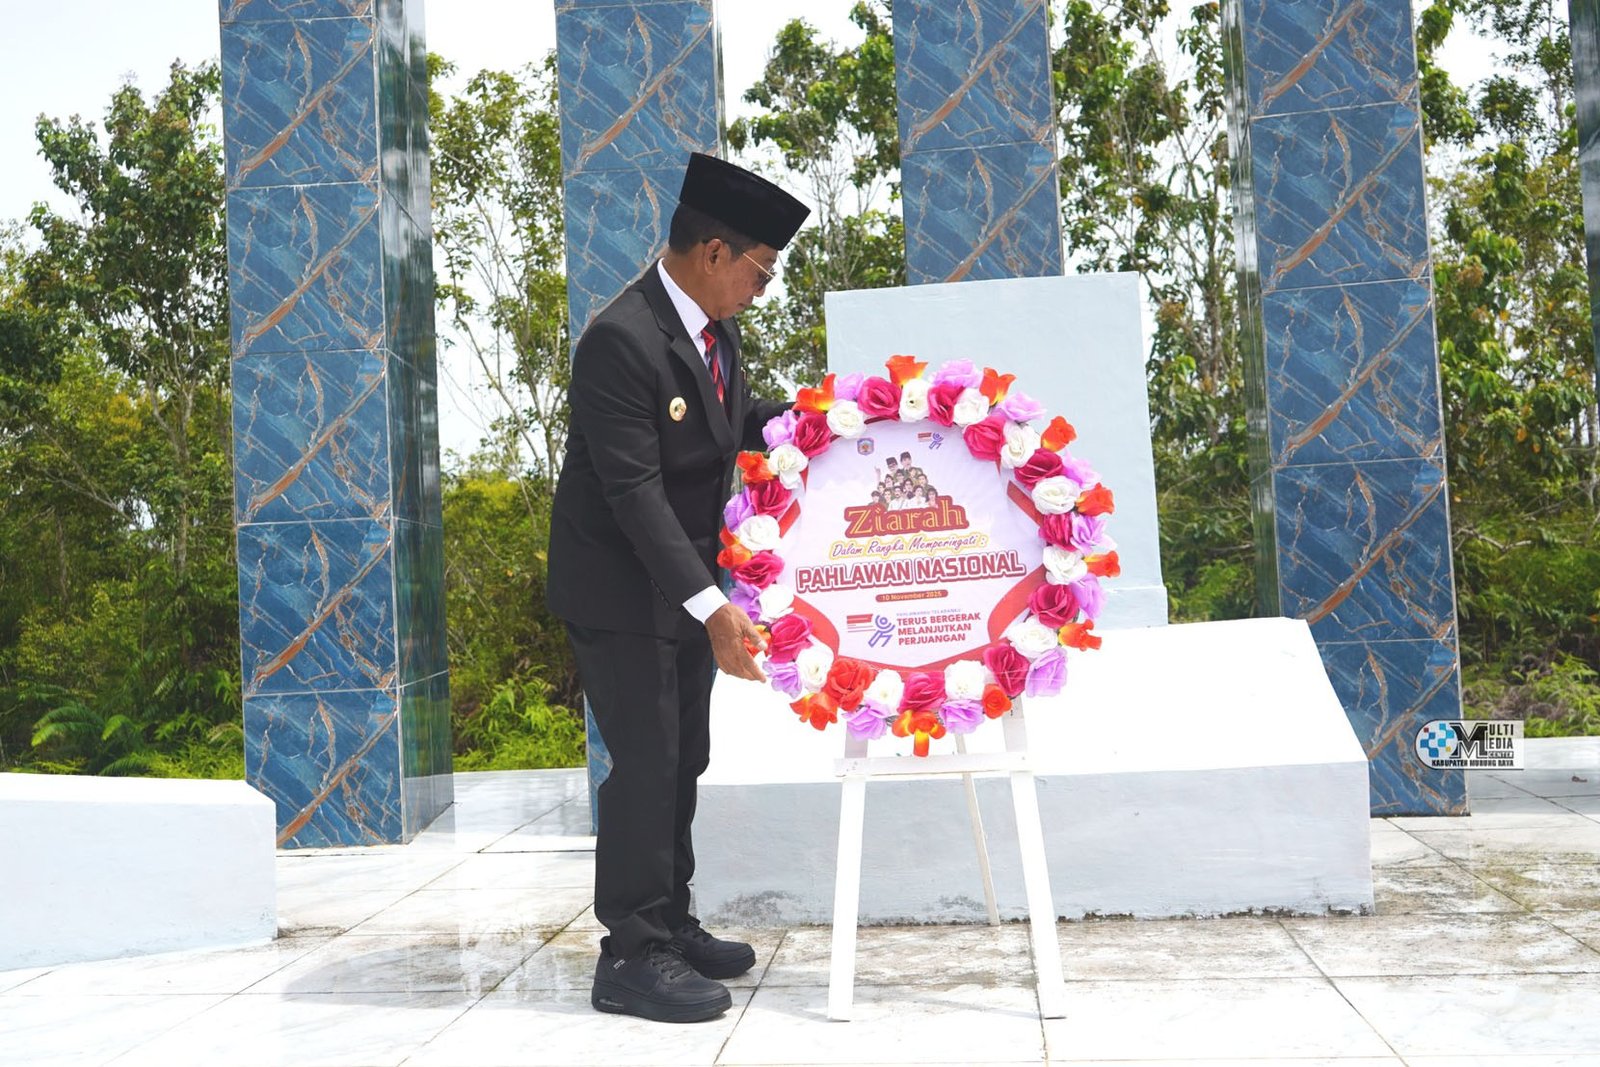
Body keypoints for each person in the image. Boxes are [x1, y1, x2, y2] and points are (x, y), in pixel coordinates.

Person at [547, 152, 809, 1023]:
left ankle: (671, 921)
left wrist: (832, 420)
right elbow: (634, 495)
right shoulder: (621, 340)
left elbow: (740, 422)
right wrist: (716, 607)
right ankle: (630, 953)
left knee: (683, 757)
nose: (763, 289)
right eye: (760, 270)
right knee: (648, 762)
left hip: (685, 591)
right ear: (712, 251)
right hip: (622, 591)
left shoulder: (713, 332)